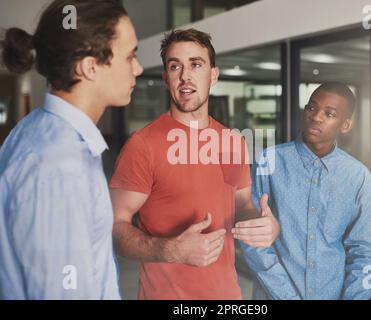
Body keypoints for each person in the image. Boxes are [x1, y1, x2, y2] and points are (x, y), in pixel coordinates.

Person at [110, 28, 280, 300]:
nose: (185, 76)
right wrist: (171, 250)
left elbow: (242, 205)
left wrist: (266, 226)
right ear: (166, 78)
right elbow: (115, 227)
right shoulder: (142, 146)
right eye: (175, 66)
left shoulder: (232, 142)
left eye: (196, 64)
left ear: (213, 75)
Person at [0, 0, 143, 299]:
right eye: (130, 57)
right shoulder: (60, 168)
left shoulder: (36, 131)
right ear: (90, 67)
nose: (138, 68)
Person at [241, 82, 371, 300]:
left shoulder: (358, 177)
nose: (316, 117)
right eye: (312, 108)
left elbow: (363, 252)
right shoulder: (270, 160)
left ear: (346, 125)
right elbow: (252, 240)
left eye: (329, 113)